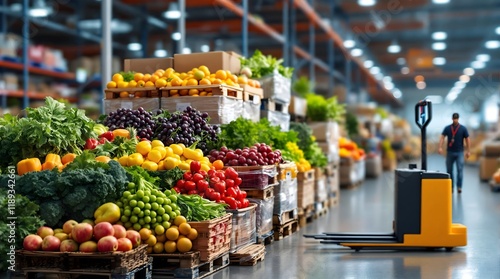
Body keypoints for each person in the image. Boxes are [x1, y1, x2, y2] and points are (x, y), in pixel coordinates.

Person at [438, 113, 471, 193]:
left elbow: (467, 139)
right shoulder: (447, 128)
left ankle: (459, 187)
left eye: (456, 118)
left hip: (459, 152)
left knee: (460, 170)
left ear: (458, 119)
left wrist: (468, 151)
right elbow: (442, 137)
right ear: (452, 119)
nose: (455, 120)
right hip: (450, 152)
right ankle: (451, 186)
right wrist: (440, 147)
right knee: (449, 170)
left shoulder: (463, 128)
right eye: (454, 118)